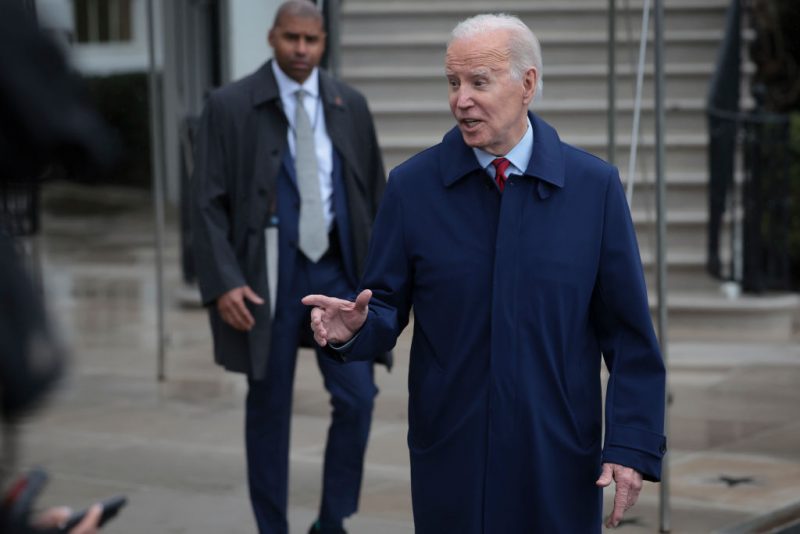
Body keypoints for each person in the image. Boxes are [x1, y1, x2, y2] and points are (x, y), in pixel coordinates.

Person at [303, 13, 667, 533]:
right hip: (454, 453)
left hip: (558, 455)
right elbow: (382, 304)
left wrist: (631, 444)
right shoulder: (412, 189)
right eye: (453, 82)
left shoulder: (594, 189)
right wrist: (356, 330)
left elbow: (631, 339)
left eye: (479, 81)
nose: (461, 99)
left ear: (528, 84)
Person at [191, 1, 388, 533]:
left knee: (358, 398)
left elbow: (374, 191)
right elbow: (205, 202)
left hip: (336, 272)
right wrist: (224, 280)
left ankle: (331, 521)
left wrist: (381, 277)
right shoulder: (229, 105)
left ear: (324, 42)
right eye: (291, 38)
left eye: (312, 40)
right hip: (266, 277)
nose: (302, 49)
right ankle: (271, 527)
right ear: (272, 37)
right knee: (269, 407)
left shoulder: (351, 103)